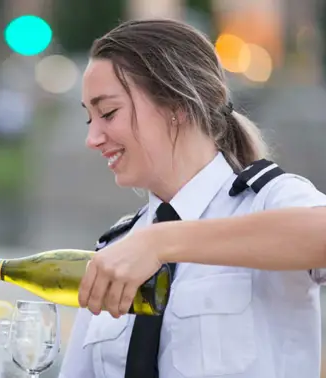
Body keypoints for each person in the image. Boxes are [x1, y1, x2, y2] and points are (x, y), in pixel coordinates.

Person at [59, 18, 326, 378]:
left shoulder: (268, 200)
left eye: (108, 113)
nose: (93, 138)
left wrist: (161, 243)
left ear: (177, 106)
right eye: (89, 119)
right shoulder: (118, 249)